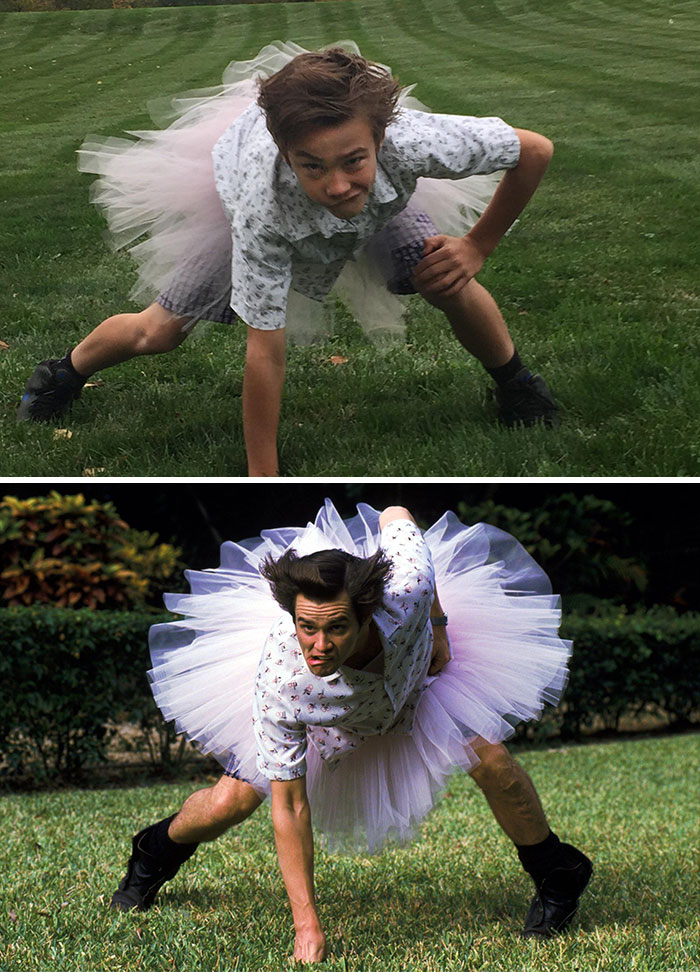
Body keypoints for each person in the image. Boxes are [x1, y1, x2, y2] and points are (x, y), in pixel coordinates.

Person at [18, 42, 560, 476]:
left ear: (380, 138)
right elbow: (266, 351)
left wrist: (477, 245)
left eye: (353, 160)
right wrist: (264, 475)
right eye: (313, 166)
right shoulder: (263, 209)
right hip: (266, 213)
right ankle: (62, 373)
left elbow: (533, 150)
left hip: (383, 204)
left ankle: (517, 384)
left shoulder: (412, 142)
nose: (337, 185)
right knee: (159, 332)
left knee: (445, 275)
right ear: (285, 153)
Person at [110, 501, 592, 963]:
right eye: (307, 627)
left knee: (494, 764)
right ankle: (155, 851)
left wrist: (439, 622)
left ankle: (558, 873)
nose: (319, 646)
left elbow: (396, 514)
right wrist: (307, 926)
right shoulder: (282, 682)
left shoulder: (407, 591)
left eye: (337, 628)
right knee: (229, 803)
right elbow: (290, 806)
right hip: (329, 726)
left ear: (368, 612)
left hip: (418, 686)